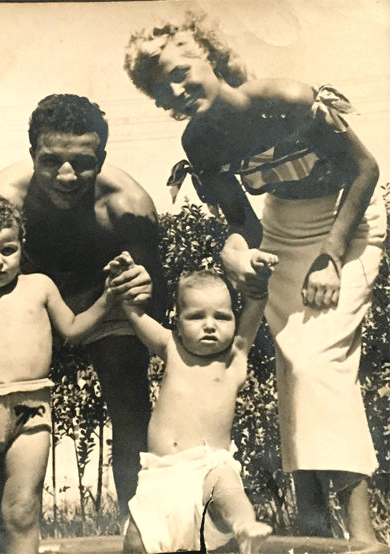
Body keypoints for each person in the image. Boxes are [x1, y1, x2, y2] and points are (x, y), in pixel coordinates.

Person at [124, 9, 387, 543]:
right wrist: (238, 252)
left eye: (180, 72)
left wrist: (332, 256)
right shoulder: (199, 141)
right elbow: (241, 222)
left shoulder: (287, 99)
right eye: (160, 89)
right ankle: (314, 525)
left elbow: (366, 169)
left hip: (347, 222)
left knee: (319, 364)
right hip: (284, 229)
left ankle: (363, 534)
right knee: (295, 363)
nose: (175, 91)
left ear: (210, 57)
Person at [0, 94, 165, 522]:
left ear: (102, 156)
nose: (66, 175)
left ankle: (143, 530)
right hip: (26, 300)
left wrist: (141, 285)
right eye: (51, 160)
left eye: (82, 161)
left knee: (130, 401)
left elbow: (149, 294)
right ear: (31, 155)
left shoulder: (128, 205)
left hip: (101, 299)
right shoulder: (3, 196)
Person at [0, 193, 130, 553]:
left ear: (21, 246)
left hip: (31, 412)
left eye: (7, 250)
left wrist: (107, 298)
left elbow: (72, 330)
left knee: (22, 511)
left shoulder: (39, 287)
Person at [109, 252, 276, 553]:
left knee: (226, 485)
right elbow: (134, 314)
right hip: (161, 475)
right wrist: (127, 278)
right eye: (197, 316)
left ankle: (245, 526)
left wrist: (260, 282)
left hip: (208, 466)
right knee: (136, 540)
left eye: (222, 316)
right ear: (178, 321)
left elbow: (256, 304)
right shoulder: (172, 348)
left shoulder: (234, 359)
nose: (210, 325)